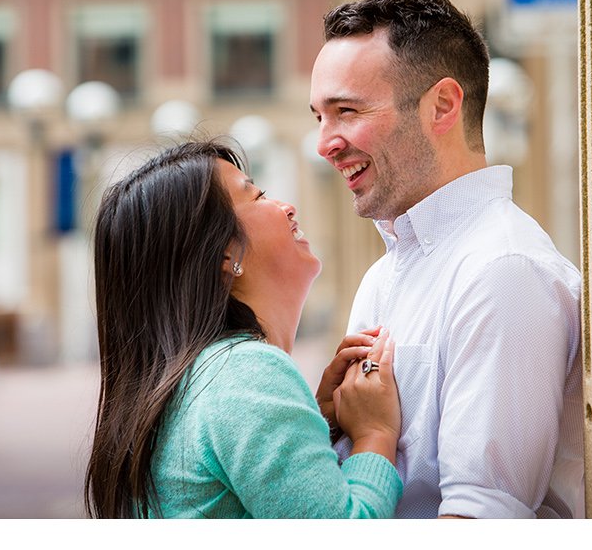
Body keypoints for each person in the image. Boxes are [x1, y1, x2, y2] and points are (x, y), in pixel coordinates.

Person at [310, 0, 584, 520]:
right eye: (320, 116)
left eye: (346, 111)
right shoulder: (383, 276)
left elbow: (480, 518)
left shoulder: (504, 271)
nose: (325, 143)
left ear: (442, 106)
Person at [84, 140, 403, 518]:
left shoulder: (206, 378)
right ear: (225, 254)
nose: (287, 207)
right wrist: (375, 434)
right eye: (258, 195)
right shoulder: (245, 375)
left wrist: (316, 422)